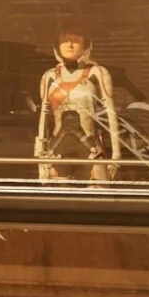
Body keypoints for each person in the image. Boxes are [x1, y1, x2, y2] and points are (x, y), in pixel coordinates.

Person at [35, 27, 121, 182]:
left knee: (97, 192)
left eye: (75, 40)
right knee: (56, 194)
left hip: (90, 146)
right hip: (57, 147)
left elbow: (110, 112)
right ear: (57, 45)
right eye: (64, 40)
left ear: (85, 44)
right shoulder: (49, 76)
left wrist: (116, 155)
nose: (69, 44)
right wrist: (40, 150)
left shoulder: (97, 72)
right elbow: (44, 113)